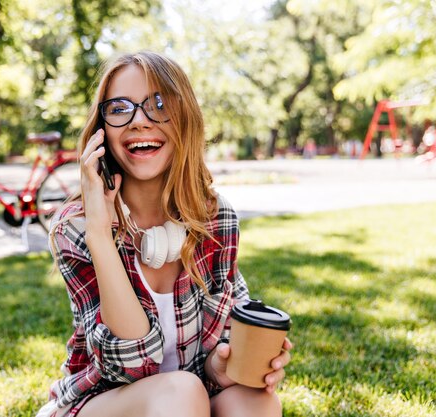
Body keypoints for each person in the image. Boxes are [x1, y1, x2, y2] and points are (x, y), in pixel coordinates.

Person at [38, 51, 293, 417]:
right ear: (101, 131)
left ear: (185, 119)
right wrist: (101, 235)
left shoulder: (216, 218)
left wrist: (224, 367)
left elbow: (215, 352)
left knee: (255, 402)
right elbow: (130, 366)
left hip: (187, 400)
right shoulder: (77, 228)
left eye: (158, 104)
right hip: (103, 402)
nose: (139, 121)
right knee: (180, 392)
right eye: (120, 108)